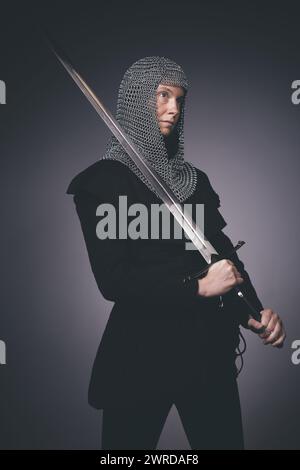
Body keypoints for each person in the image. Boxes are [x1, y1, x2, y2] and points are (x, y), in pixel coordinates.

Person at [66, 56, 285, 450]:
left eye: (180, 100)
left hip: (206, 355)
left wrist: (253, 312)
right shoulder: (100, 184)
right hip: (139, 358)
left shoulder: (193, 181)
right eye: (163, 95)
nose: (173, 108)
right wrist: (197, 288)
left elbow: (221, 257)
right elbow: (114, 280)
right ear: (137, 101)